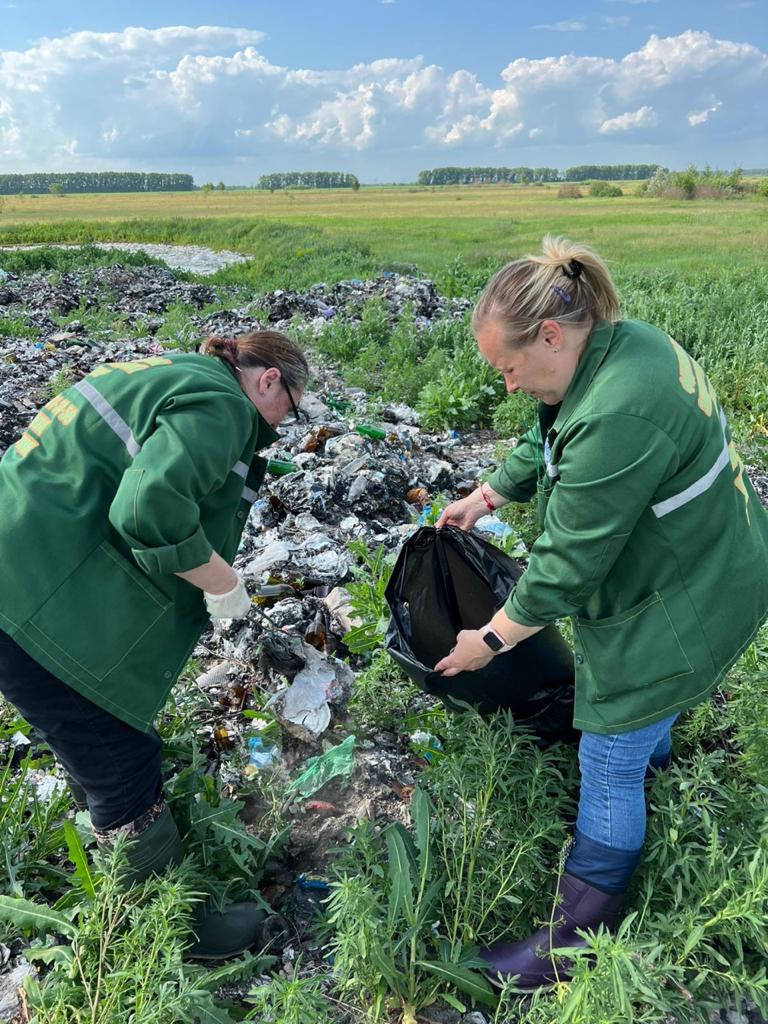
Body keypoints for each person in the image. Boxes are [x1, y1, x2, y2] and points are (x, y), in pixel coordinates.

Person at [435, 236, 768, 989]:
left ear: (550, 334)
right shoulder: (622, 348)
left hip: (693, 593)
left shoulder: (620, 411)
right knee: (640, 730)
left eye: (509, 368)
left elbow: (565, 567)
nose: (511, 386)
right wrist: (488, 495)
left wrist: (488, 640)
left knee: (608, 752)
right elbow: (550, 436)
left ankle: (577, 934)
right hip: (718, 555)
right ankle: (658, 760)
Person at [0, 330, 309, 959]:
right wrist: (224, 583)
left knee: (90, 734)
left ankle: (113, 850)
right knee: (118, 757)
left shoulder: (175, 371)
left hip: (26, 562)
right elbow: (148, 507)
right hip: (28, 590)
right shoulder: (224, 404)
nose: (285, 425)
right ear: (269, 380)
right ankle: (170, 931)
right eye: (291, 410)